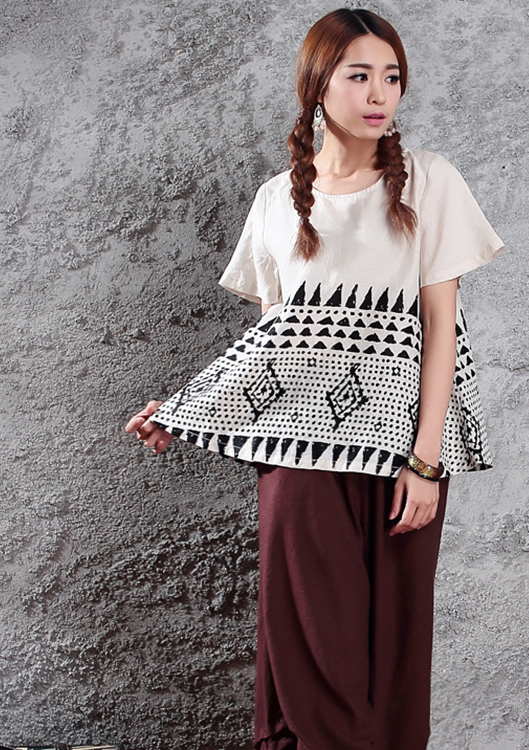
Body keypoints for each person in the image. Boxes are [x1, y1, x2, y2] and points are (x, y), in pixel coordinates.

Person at [125, 8, 503, 750]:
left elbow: (441, 332)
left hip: (403, 460)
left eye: (391, 76)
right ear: (318, 86)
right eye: (359, 76)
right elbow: (275, 351)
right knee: (310, 661)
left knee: (394, 659)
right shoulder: (276, 201)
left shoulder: (431, 181)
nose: (379, 93)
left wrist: (427, 462)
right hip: (297, 462)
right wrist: (184, 409)